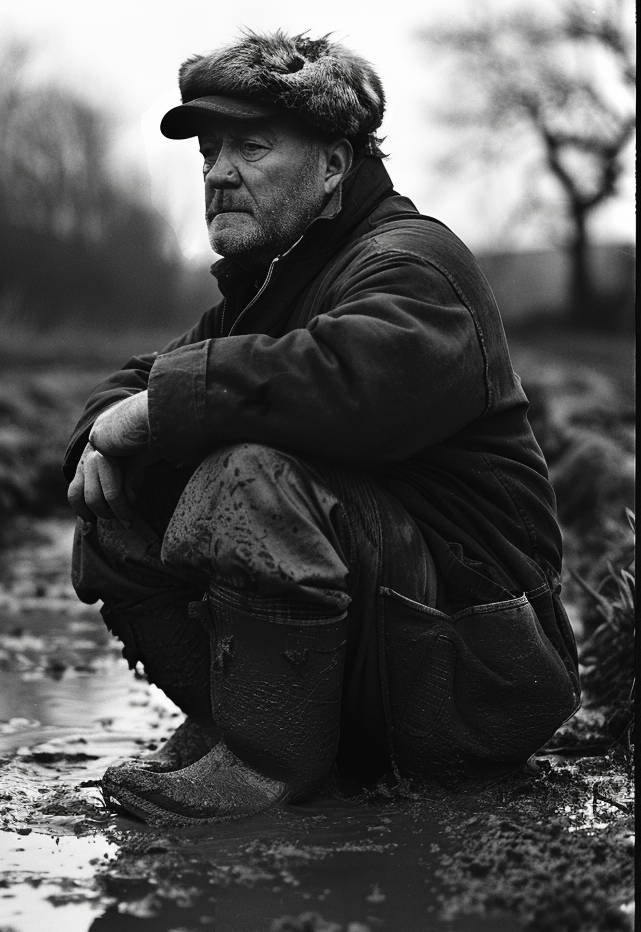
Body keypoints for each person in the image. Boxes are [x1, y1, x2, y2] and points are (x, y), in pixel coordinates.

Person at [64, 30, 580, 828]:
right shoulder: (269, 286)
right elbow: (141, 382)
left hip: (479, 672)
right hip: (389, 658)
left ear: (334, 165)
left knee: (246, 475)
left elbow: (351, 380)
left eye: (252, 146)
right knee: (114, 504)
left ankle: (268, 763)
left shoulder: (415, 261)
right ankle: (234, 720)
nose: (218, 172)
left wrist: (159, 408)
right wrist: (107, 427)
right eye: (208, 153)